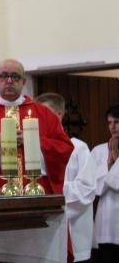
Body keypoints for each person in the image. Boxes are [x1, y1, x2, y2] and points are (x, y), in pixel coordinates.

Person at [0, 59, 73, 195]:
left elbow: (64, 148)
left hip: (36, 195)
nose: (9, 81)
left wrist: (33, 141)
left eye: (15, 76)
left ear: (23, 82)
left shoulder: (46, 115)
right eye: (4, 76)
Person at [36, 92, 95, 263]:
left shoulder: (78, 148)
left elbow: (86, 188)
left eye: (44, 113)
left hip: (74, 233)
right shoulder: (35, 149)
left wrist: (50, 190)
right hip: (44, 234)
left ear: (58, 114)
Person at [90, 104, 119, 262]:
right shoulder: (98, 151)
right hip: (104, 223)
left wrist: (117, 158)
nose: (113, 127)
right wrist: (108, 164)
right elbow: (93, 187)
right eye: (109, 123)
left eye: (116, 122)